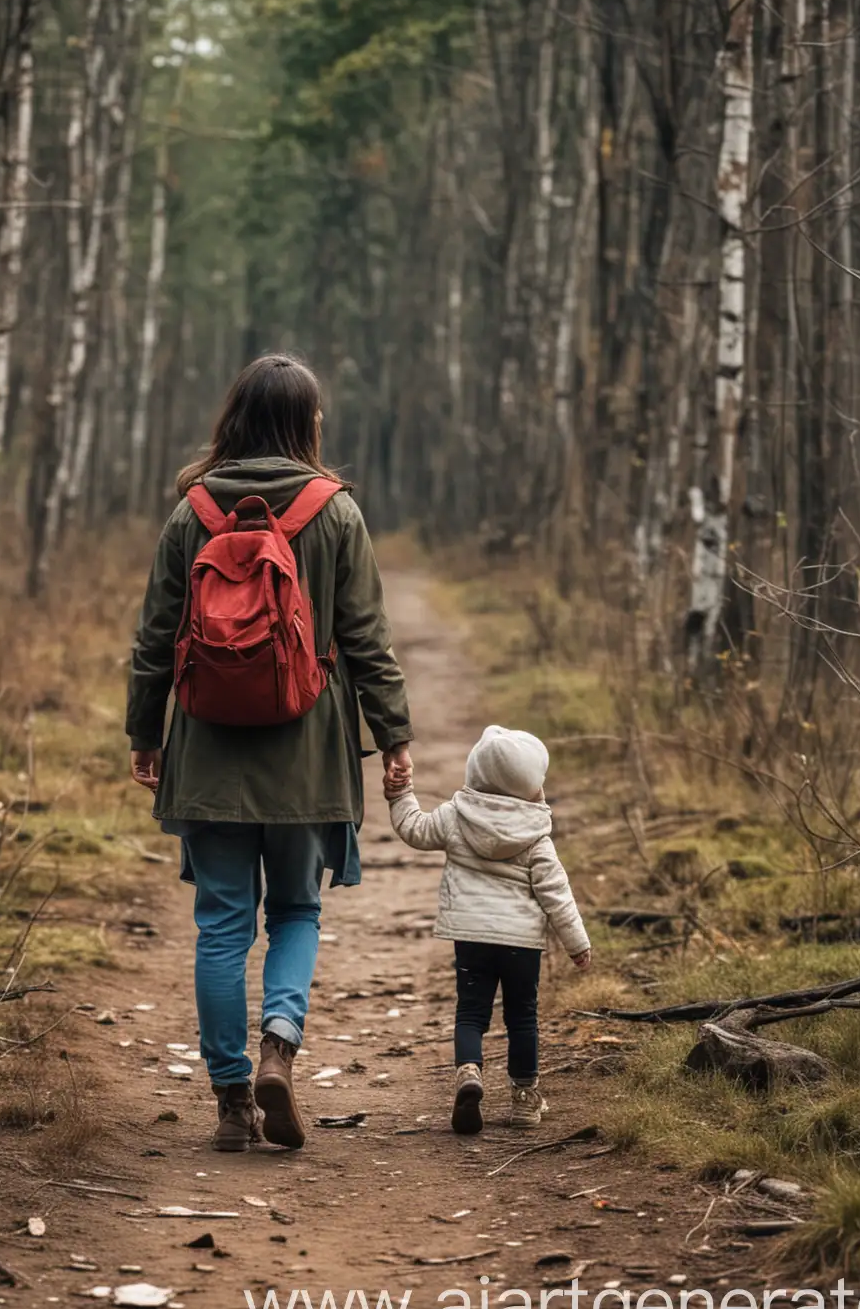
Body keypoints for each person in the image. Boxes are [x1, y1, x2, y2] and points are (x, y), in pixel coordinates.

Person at [127, 355, 414, 1153]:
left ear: (235, 417)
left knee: (221, 925)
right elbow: (366, 641)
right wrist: (393, 737)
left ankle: (228, 1102)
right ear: (306, 423)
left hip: (209, 750)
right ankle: (278, 1048)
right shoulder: (336, 512)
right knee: (295, 910)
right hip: (308, 753)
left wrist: (143, 735)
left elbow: (156, 639)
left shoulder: (191, 514)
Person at [383, 724, 591, 1134]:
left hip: (471, 938)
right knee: (522, 1016)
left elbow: (414, 829)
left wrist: (400, 794)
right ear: (533, 785)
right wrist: (577, 944)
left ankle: (469, 1073)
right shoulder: (536, 835)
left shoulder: (456, 815)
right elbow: (557, 895)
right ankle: (525, 1100)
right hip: (520, 945)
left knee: (471, 1012)